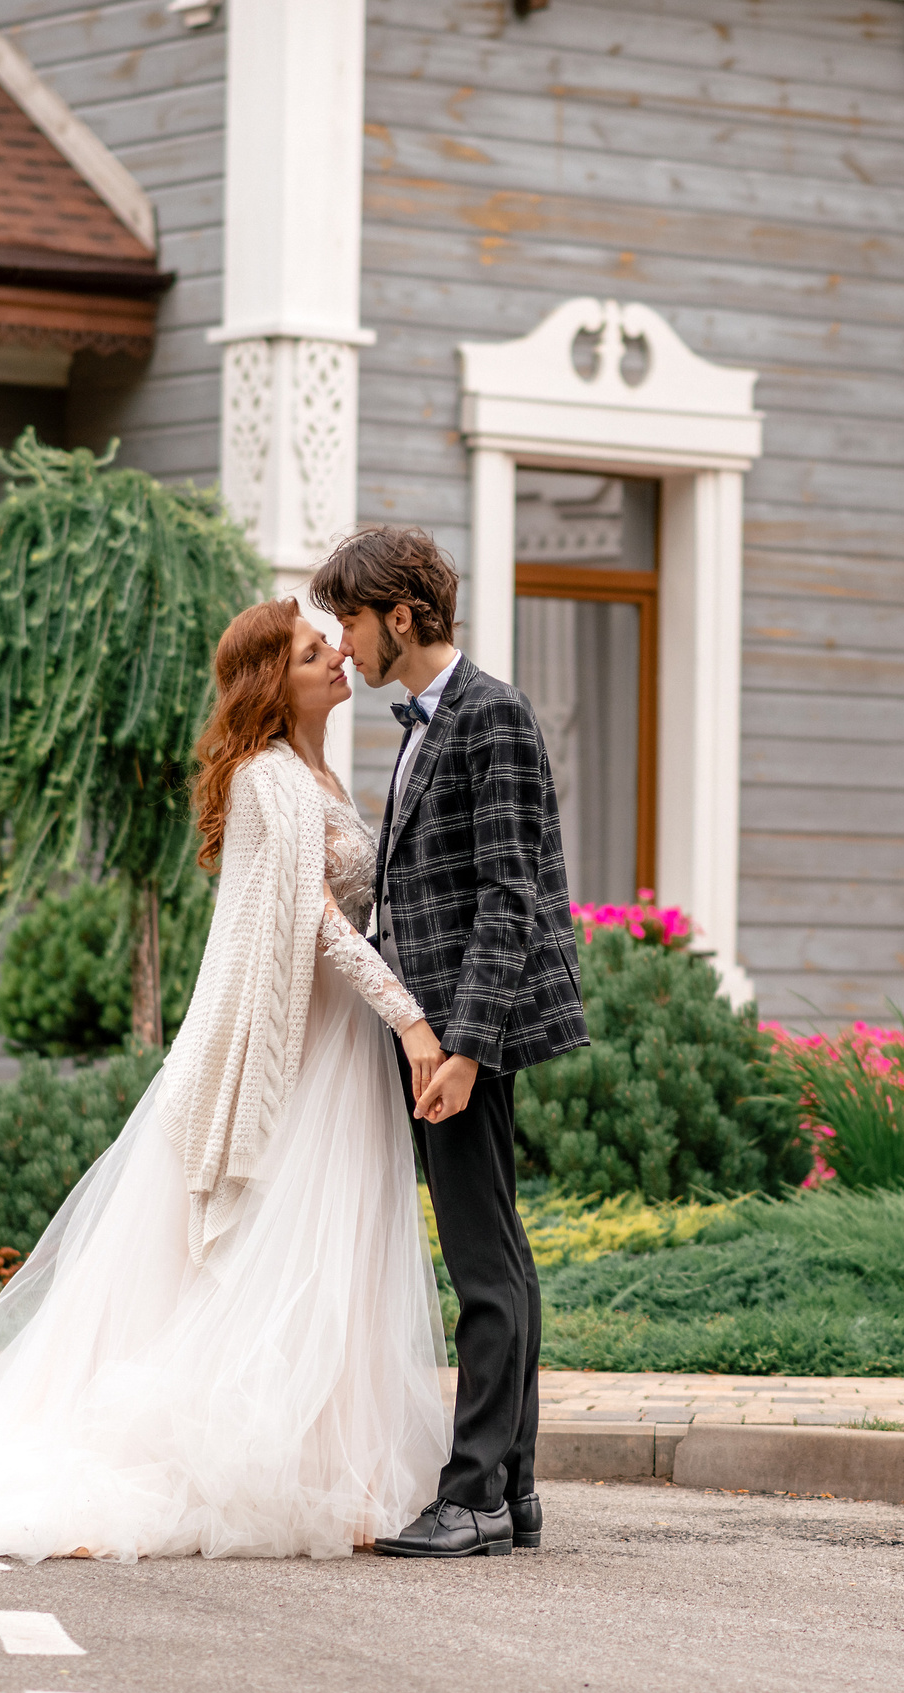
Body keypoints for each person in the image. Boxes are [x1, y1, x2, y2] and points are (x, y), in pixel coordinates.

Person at [0, 598, 453, 1563]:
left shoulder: (321, 774)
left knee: (330, 1256)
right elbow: (314, 923)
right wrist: (411, 1018)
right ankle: (242, 1467)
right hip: (293, 1054)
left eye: (330, 644)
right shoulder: (271, 779)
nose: (337, 659)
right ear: (277, 680)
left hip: (335, 1050)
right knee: (274, 1257)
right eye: (315, 652)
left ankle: (329, 1474)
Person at [310, 525, 588, 1561]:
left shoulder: (491, 715)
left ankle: (470, 1491)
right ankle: (507, 1489)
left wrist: (462, 1048)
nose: (343, 640)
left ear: (401, 613)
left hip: (471, 1032)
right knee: (499, 1254)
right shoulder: (426, 719)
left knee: (482, 1263)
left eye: (348, 616)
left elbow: (509, 900)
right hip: (446, 1027)